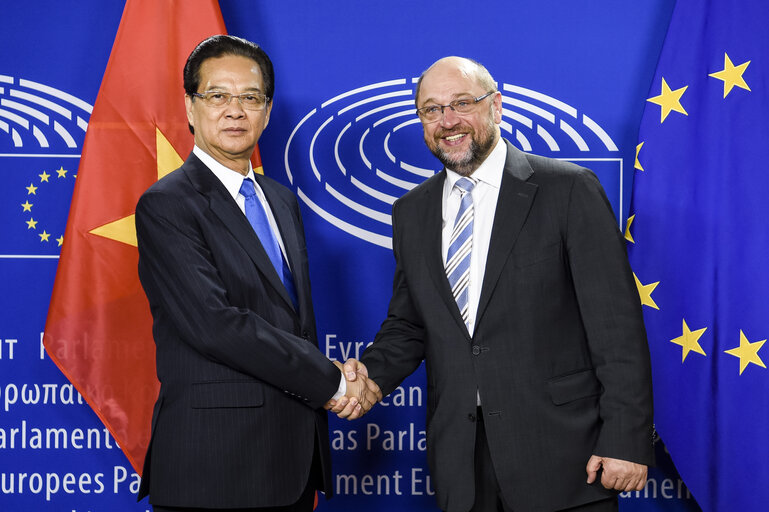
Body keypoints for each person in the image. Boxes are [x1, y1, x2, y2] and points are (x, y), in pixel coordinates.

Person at [337, 56, 654, 512]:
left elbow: (616, 326)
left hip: (564, 457)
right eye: (431, 109)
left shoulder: (567, 190)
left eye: (461, 103)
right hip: (462, 463)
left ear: (497, 106)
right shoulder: (412, 212)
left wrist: (625, 438)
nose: (448, 121)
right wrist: (369, 379)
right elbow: (409, 324)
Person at [135, 35, 377, 511]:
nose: (234, 110)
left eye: (250, 97)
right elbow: (216, 324)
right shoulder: (167, 205)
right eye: (217, 96)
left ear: (266, 111)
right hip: (214, 468)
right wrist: (331, 382)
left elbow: (290, 321)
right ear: (190, 106)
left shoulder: (281, 201)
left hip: (291, 463)